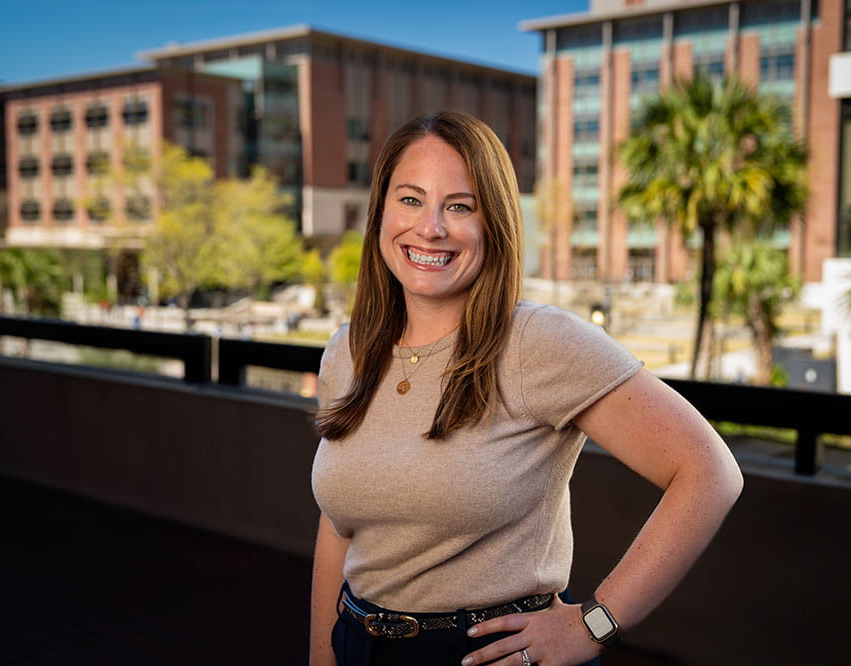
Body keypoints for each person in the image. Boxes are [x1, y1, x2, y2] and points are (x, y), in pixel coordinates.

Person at [310, 111, 743, 666]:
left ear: (495, 222)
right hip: (355, 641)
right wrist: (322, 654)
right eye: (410, 199)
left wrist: (595, 625)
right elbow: (338, 525)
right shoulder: (346, 352)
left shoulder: (538, 343)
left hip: (483, 655)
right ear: (381, 213)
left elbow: (709, 471)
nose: (431, 228)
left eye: (460, 206)